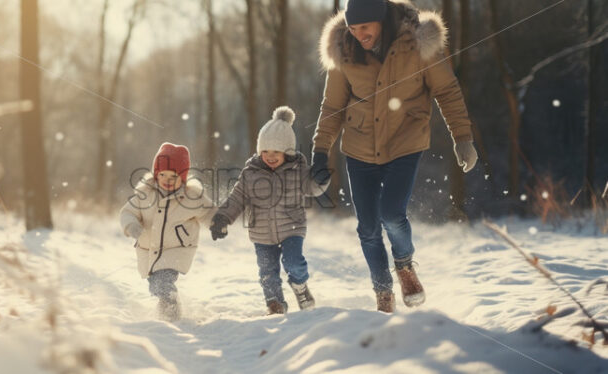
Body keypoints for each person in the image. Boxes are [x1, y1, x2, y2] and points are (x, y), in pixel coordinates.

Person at [311, 0, 479, 313]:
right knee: (368, 227)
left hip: (406, 142)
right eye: (353, 27)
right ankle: (382, 290)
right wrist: (320, 152)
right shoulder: (343, 50)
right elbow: (332, 106)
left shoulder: (418, 43)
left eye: (365, 27)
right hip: (359, 148)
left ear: (382, 19)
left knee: (391, 214)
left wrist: (463, 137)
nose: (358, 34)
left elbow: (447, 91)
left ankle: (403, 265)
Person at [210, 106, 329, 315]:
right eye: (265, 151)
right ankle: (275, 303)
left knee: (294, 262)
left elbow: (313, 189)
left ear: (288, 152)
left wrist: (321, 178)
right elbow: (237, 197)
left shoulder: (297, 170)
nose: (270, 156)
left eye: (276, 152)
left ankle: (300, 287)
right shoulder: (251, 173)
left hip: (292, 227)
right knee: (267, 272)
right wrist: (222, 218)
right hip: (261, 233)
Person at [119, 142, 213, 321]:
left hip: (176, 249)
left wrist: (218, 224)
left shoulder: (191, 197)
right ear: (156, 173)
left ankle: (171, 313)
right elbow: (127, 212)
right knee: (155, 284)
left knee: (163, 282)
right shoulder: (144, 194)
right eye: (163, 174)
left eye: (174, 176)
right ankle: (166, 308)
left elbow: (209, 211)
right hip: (148, 251)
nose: (167, 179)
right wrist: (131, 225)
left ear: (183, 177)